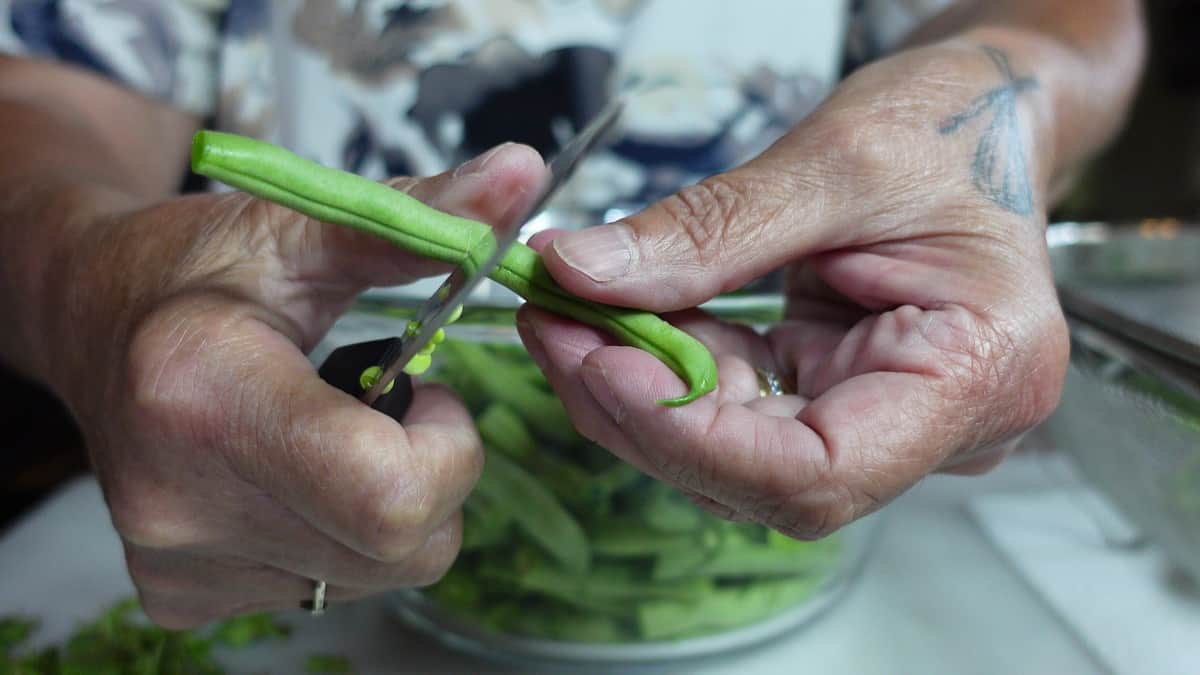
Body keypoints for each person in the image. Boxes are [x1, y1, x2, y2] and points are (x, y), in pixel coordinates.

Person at [0, 1, 1144, 628]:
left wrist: (1002, 99)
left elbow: (1076, 15)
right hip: (280, 449)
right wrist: (83, 276)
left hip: (790, 386)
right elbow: (39, 91)